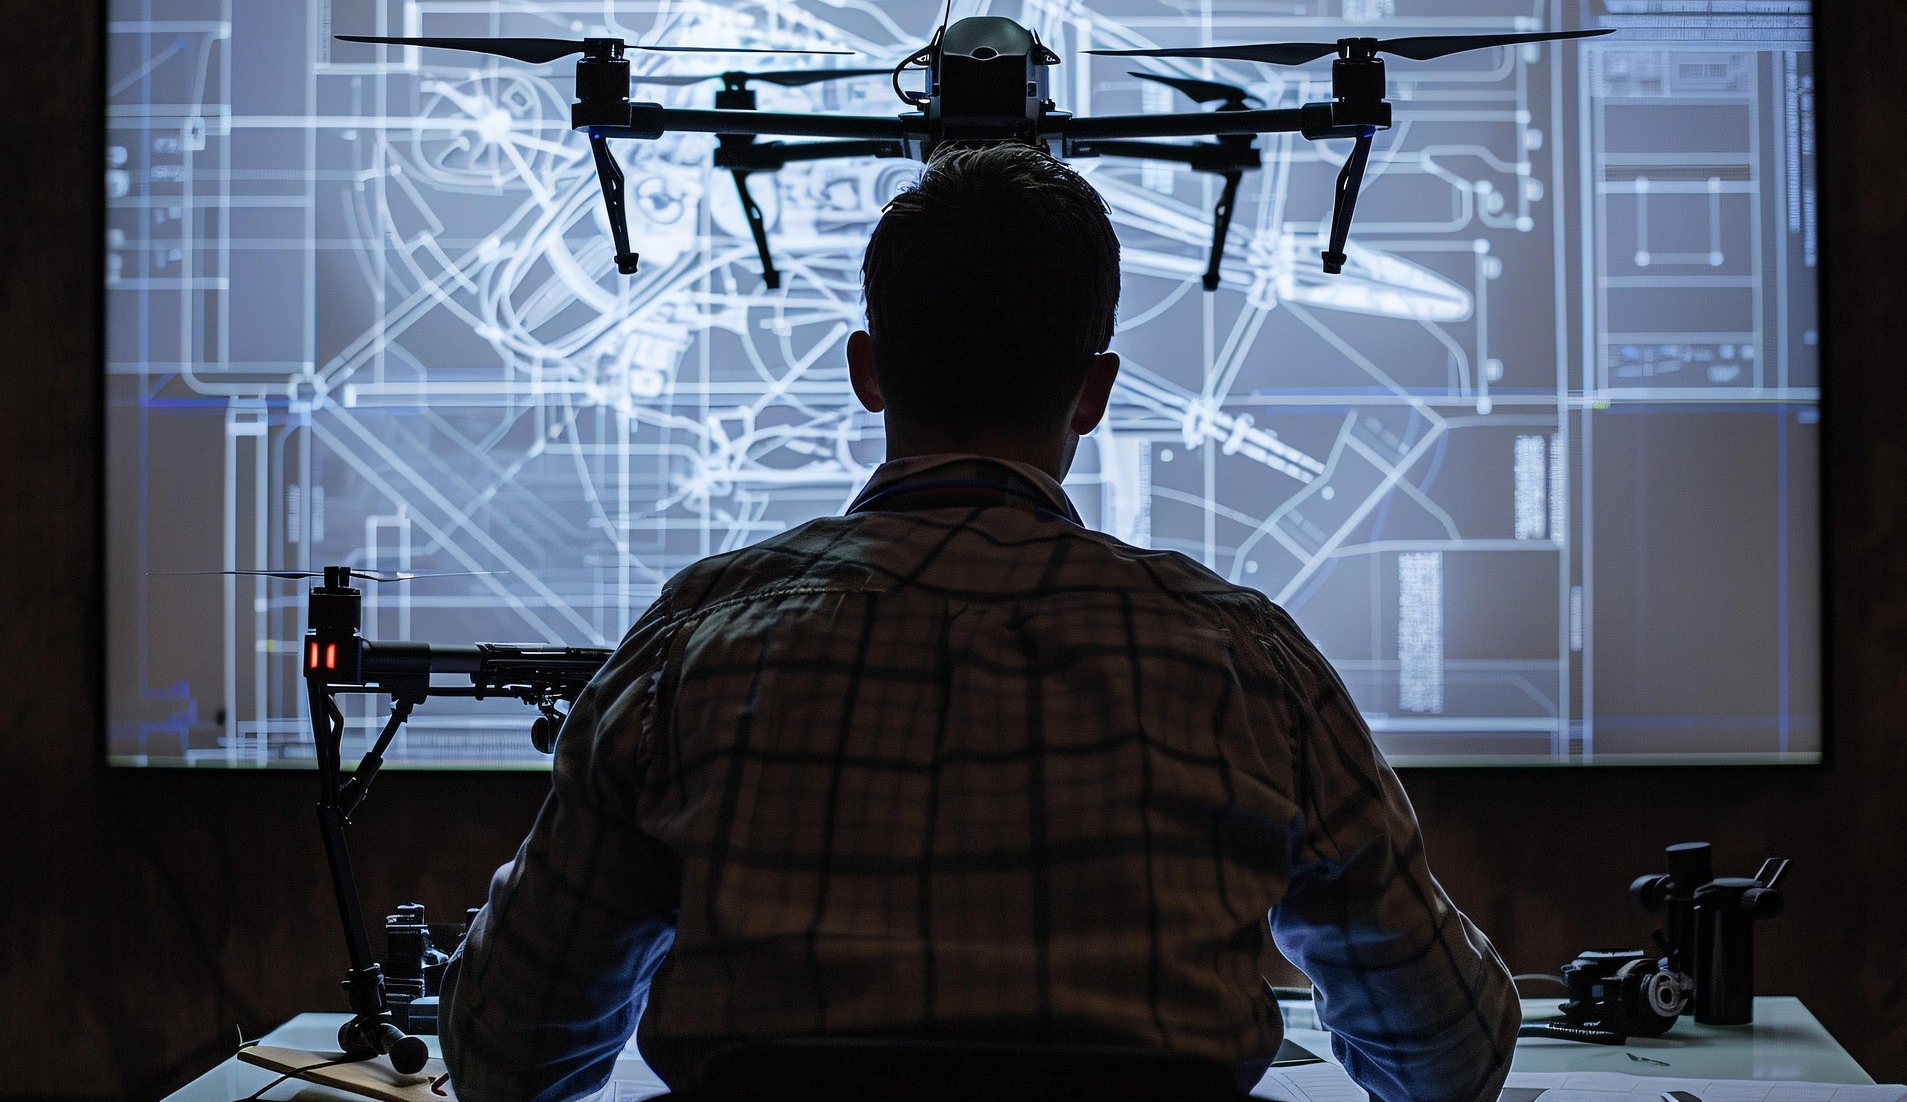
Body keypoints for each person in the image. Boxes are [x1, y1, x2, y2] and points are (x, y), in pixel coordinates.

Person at [439, 141, 1519, 1102]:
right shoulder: (1249, 659)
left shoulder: (689, 644)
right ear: (1093, 392)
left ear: (868, 372)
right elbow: (1448, 1057)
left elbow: (506, 1055)